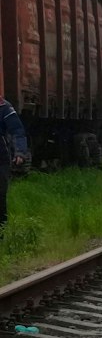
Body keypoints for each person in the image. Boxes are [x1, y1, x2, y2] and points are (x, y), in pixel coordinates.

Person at [0, 93, 25, 233]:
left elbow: (17, 130)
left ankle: (1, 232)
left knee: (0, 196)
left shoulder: (4, 107)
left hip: (1, 160)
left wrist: (20, 152)